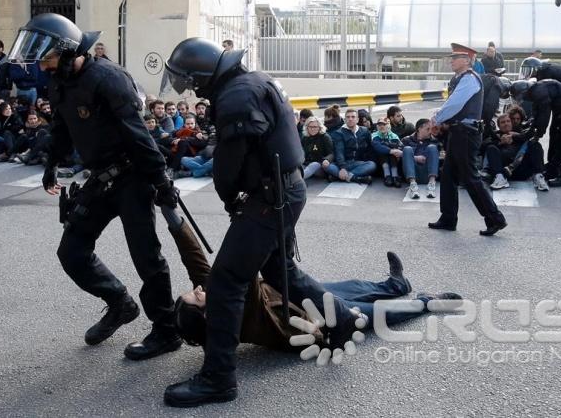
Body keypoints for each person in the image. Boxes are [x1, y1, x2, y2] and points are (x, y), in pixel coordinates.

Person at [161, 37, 362, 407]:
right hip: (286, 190)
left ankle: (218, 379)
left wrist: (229, 197)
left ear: (204, 76)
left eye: (190, 81)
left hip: (269, 199)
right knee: (279, 270)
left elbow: (228, 165)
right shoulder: (253, 81)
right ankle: (343, 320)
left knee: (224, 282)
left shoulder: (235, 97)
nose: (189, 88)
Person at [9, 13, 182, 359]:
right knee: (71, 253)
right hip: (99, 179)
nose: (43, 67)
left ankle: (167, 331)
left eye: (48, 59)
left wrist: (160, 181)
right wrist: (51, 164)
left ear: (69, 50)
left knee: (147, 258)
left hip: (133, 178)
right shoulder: (60, 80)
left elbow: (139, 135)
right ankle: (120, 303)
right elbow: (61, 127)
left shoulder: (108, 78)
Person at [175, 249, 461, 352]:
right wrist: (248, 221)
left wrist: (175, 220)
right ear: (205, 316)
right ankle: (428, 302)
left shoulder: (220, 306)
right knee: (380, 312)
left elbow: (197, 266)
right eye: (197, 296)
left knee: (353, 286)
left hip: (293, 298)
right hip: (316, 326)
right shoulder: (236, 317)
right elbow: (246, 264)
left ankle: (395, 284)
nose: (200, 289)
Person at [429, 43, 506, 236]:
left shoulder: (470, 79)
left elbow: (455, 104)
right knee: (448, 177)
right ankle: (448, 218)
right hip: (458, 132)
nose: (452, 60)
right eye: (452, 57)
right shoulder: (459, 78)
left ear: (467, 60)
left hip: (466, 133)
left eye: (456, 57)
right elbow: (451, 104)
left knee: (471, 178)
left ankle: (495, 218)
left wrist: (436, 118)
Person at [509, 78, 561, 188]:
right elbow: (536, 114)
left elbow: (544, 116)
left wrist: (538, 134)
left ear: (525, 91)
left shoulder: (539, 92)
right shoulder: (537, 91)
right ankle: (553, 171)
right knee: (558, 141)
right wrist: (530, 128)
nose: (524, 99)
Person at [482, 114, 548, 191]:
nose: (506, 124)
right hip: (503, 171)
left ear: (511, 123)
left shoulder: (520, 133)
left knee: (535, 145)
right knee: (491, 148)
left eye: (508, 121)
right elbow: (483, 147)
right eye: (503, 122)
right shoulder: (495, 136)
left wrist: (516, 137)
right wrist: (500, 142)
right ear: (499, 126)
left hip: (521, 168)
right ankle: (500, 178)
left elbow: (531, 135)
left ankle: (538, 176)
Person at [327, 109, 377, 184]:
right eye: (348, 117)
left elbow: (370, 148)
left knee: (372, 165)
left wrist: (367, 160)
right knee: (329, 167)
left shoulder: (364, 131)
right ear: (345, 119)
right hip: (343, 163)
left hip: (358, 163)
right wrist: (342, 168)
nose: (350, 119)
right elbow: (339, 152)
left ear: (357, 119)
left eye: (353, 117)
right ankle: (357, 178)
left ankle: (338, 177)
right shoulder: (338, 133)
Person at [401, 118, 442, 199]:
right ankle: (413, 185)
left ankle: (432, 184)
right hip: (412, 173)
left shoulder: (435, 141)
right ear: (419, 129)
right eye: (428, 129)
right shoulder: (406, 140)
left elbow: (439, 159)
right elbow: (398, 154)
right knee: (407, 149)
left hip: (428, 173)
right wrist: (415, 158)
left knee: (432, 147)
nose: (430, 131)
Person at [371, 118, 404, 187]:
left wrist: (395, 151)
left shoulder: (394, 136)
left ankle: (395, 176)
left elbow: (400, 147)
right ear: (377, 127)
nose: (382, 126)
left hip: (393, 161)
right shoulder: (374, 135)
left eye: (384, 124)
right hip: (379, 163)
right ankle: (387, 175)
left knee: (391, 152)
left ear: (388, 126)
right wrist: (391, 150)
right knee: (385, 151)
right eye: (379, 125)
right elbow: (377, 147)